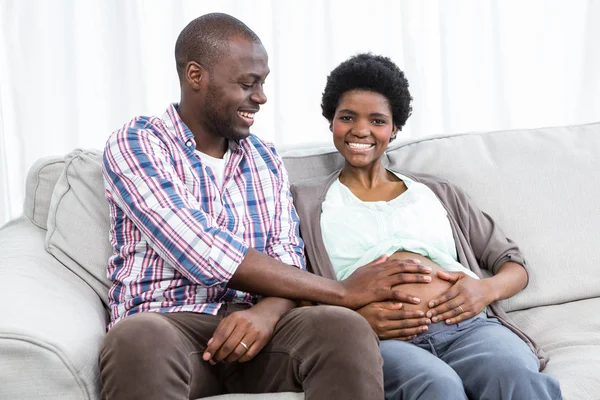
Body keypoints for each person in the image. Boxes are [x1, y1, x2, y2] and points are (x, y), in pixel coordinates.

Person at [99, 14, 432, 400]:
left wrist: (267, 313)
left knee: (343, 328)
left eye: (262, 83)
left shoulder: (263, 157)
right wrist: (341, 291)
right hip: (171, 329)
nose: (260, 97)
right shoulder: (138, 143)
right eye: (247, 84)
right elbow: (201, 249)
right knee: (137, 337)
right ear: (195, 76)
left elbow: (288, 255)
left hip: (262, 334)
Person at [292, 53, 562, 400]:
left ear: (394, 128)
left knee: (514, 376)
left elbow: (512, 263)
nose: (361, 130)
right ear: (331, 122)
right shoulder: (305, 201)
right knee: (437, 386)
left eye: (377, 120)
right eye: (348, 117)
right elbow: (291, 289)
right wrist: (352, 319)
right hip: (379, 338)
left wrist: (484, 291)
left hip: (467, 329)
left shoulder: (437, 191)